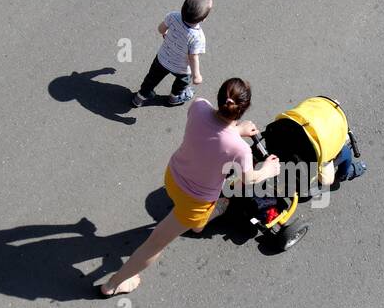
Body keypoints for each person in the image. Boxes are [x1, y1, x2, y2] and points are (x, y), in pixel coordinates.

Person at [100, 78, 280, 296]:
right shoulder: (239, 149)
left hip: (173, 176)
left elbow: (210, 134)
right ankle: (114, 284)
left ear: (220, 97)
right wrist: (268, 170)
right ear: (243, 109)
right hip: (195, 201)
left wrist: (236, 129)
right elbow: (248, 178)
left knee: (193, 220)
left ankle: (198, 224)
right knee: (155, 244)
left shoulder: (198, 105)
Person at [130, 0, 211, 107]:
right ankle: (174, 97)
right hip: (182, 68)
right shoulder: (198, 37)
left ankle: (140, 97)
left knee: (151, 78)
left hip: (162, 58)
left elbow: (161, 29)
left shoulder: (173, 16)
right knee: (181, 83)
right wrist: (196, 75)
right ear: (203, 19)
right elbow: (193, 57)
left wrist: (165, 32)